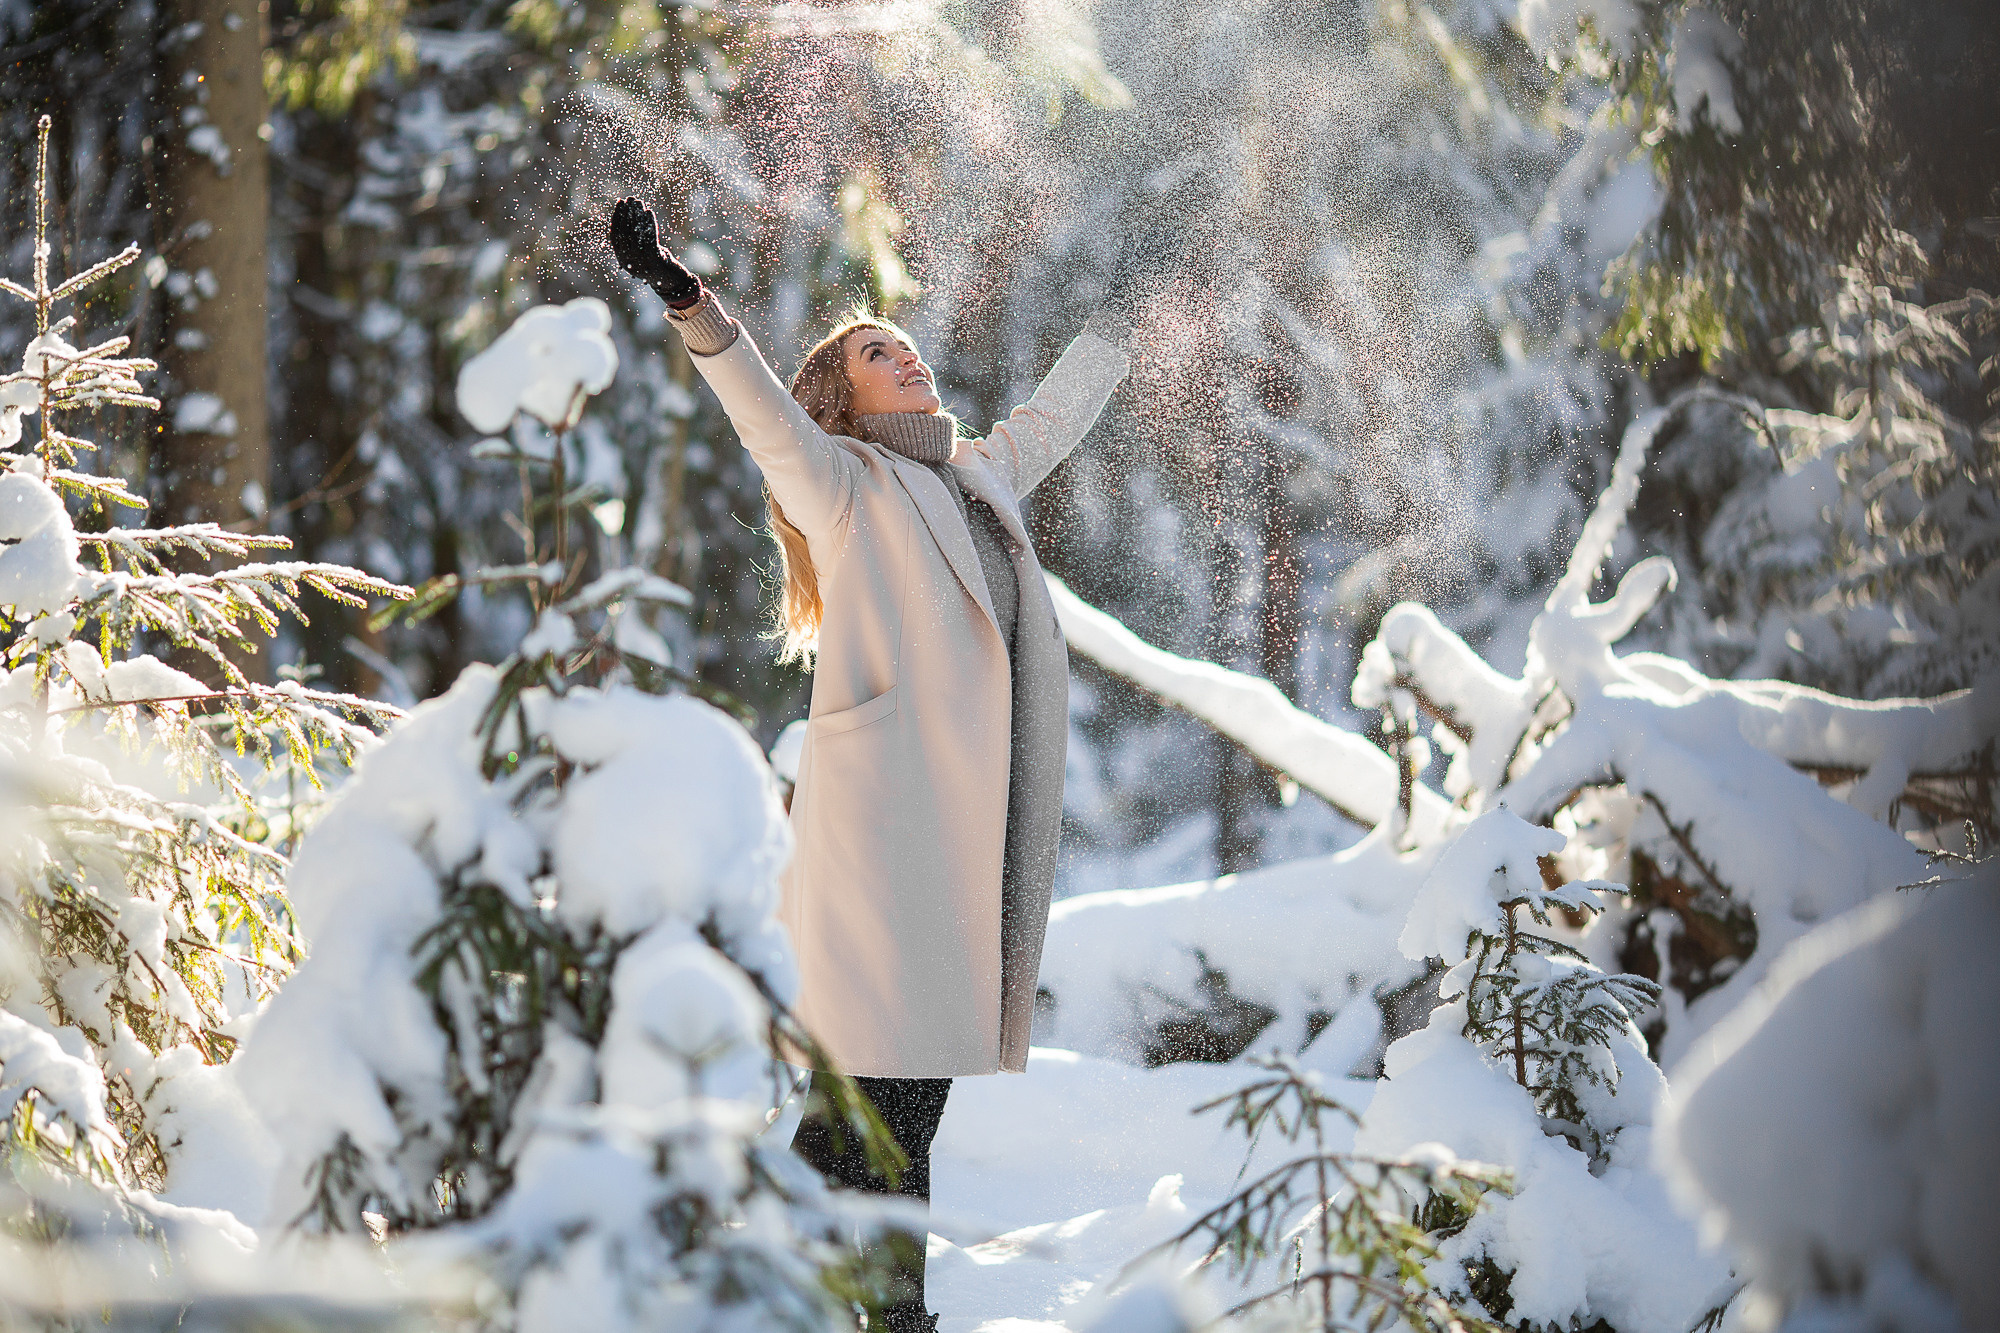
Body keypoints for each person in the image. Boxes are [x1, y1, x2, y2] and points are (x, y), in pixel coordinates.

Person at [610, 196, 1131, 1331]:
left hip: (951, 847)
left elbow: (1051, 416)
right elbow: (756, 411)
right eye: (871, 352)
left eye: (902, 343)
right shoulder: (840, 486)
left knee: (890, 1107)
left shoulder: (979, 477)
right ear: (842, 400)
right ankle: (864, 1313)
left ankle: (773, 1294)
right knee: (876, 1102)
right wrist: (685, 299)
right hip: (879, 841)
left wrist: (1123, 321)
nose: (902, 353)